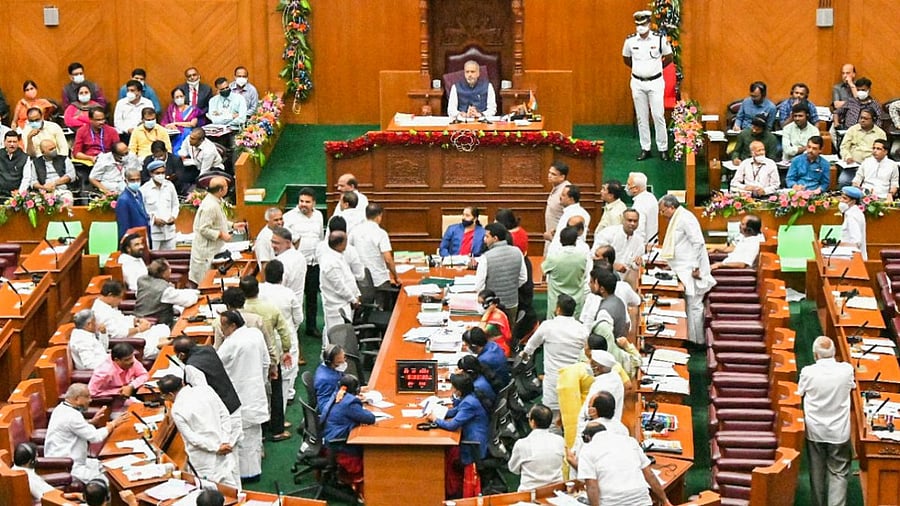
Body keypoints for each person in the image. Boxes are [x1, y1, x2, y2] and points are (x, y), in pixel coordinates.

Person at [798, 336, 855, 506]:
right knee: (839, 473)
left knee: (817, 472)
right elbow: (852, 386)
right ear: (834, 353)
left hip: (815, 430)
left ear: (815, 355)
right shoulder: (846, 370)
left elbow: (799, 392)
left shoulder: (808, 372)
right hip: (839, 432)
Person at [158, 375, 241, 487]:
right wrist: (224, 442)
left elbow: (192, 438)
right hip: (223, 450)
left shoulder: (177, 409)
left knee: (209, 495)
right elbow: (224, 415)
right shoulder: (206, 389)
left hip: (204, 458)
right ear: (182, 383)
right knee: (232, 490)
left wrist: (216, 448)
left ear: (170, 395)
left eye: (164, 396)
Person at [217, 310, 270, 481]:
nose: (221, 329)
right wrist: (261, 381)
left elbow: (217, 366)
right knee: (254, 434)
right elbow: (266, 362)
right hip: (256, 391)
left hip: (239, 395)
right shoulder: (255, 334)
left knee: (242, 435)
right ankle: (254, 469)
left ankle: (248, 474)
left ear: (233, 325)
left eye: (223, 326)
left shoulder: (230, 344)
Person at [658, 195, 716, 346]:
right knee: (689, 304)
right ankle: (691, 338)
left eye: (663, 210)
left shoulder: (685, 218)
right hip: (684, 268)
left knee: (694, 305)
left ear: (672, 207)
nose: (662, 214)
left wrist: (697, 267)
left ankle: (697, 342)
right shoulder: (678, 217)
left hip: (692, 270)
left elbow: (698, 242)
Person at [240, 276, 293, 442]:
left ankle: (261, 432)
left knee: (257, 394)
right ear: (258, 289)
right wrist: (286, 350)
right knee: (276, 393)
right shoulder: (270, 308)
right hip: (271, 356)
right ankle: (277, 429)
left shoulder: (239, 312)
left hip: (248, 359)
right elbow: (284, 331)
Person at [45, 383, 128, 482]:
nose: (90, 400)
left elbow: (72, 427)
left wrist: (91, 422)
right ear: (77, 399)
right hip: (67, 466)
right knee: (105, 480)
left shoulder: (61, 408)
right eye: (87, 397)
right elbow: (95, 437)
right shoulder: (72, 416)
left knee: (108, 467)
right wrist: (113, 424)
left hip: (77, 460)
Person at [426, 373, 490, 499]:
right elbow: (454, 412)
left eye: (454, 388)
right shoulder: (469, 398)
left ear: (459, 390)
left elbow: (452, 426)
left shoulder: (469, 403)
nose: (452, 390)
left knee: (447, 455)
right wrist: (438, 412)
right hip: (472, 439)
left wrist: (435, 420)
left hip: (473, 447)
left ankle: (451, 492)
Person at [521, 294, 587, 414]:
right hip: (573, 381)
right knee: (571, 415)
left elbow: (530, 347)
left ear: (558, 309)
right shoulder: (582, 330)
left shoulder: (547, 326)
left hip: (553, 382)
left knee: (551, 417)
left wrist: (524, 356)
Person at [577, 423, 671, 506]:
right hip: (642, 501)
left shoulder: (587, 450)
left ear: (588, 438)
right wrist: (664, 500)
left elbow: (592, 486)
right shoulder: (630, 441)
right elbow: (649, 475)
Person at [623, 10, 672, 161]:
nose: (640, 27)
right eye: (638, 25)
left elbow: (669, 57)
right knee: (641, 117)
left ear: (649, 24)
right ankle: (646, 148)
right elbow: (626, 59)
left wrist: (654, 69)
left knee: (658, 116)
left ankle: (662, 148)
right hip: (637, 82)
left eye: (643, 24)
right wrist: (640, 70)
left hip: (656, 82)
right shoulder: (630, 41)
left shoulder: (659, 39)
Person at [320, 374, 376, 501]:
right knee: (368, 455)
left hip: (326, 440)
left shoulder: (337, 395)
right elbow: (370, 419)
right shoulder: (350, 402)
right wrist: (361, 405)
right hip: (339, 447)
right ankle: (361, 493)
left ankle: (341, 478)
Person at [260, 259, 305, 404]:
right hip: (285, 339)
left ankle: (269, 414)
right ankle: (282, 412)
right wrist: (291, 329)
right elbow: (299, 318)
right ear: (282, 276)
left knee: (266, 375)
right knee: (285, 377)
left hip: (264, 339)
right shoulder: (288, 293)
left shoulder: (258, 291)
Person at [283, 187, 325, 338]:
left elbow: (320, 237)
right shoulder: (288, 217)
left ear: (314, 203)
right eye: (301, 201)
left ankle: (311, 326)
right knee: (296, 297)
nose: (303, 204)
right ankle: (295, 328)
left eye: (307, 202)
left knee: (312, 296)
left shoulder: (319, 216)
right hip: (297, 266)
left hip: (314, 263)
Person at [92, 278, 170, 358]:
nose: (120, 301)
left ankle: (165, 342)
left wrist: (137, 320)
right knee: (157, 345)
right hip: (127, 342)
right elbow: (117, 334)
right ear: (110, 295)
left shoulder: (108, 305)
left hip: (133, 332)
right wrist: (138, 329)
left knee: (163, 328)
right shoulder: (101, 312)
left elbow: (121, 318)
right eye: (119, 297)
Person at [189, 176, 244, 284]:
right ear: (220, 190)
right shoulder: (210, 206)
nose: (228, 189)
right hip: (206, 252)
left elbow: (218, 221)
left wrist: (233, 225)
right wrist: (220, 234)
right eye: (226, 187)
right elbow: (204, 229)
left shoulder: (216, 200)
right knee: (206, 282)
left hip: (215, 249)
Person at [172, 336, 242, 417]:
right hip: (232, 401)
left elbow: (203, 395)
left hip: (223, 413)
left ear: (181, 355)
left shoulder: (192, 367)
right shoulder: (209, 349)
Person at [476, 222, 527, 324]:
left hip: (492, 306)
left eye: (487, 236)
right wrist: (510, 287)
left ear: (495, 238)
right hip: (512, 303)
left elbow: (479, 286)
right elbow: (523, 278)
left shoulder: (486, 257)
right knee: (509, 332)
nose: (484, 240)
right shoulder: (517, 252)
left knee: (493, 336)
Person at [508, 404, 566, 492]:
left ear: (532, 422)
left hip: (528, 494)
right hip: (556, 492)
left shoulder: (522, 444)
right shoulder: (560, 441)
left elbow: (513, 469)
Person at [134, 258, 200, 327]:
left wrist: (193, 291)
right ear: (164, 273)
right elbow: (187, 301)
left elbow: (137, 294)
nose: (171, 271)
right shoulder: (164, 290)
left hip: (138, 320)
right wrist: (198, 295)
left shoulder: (141, 280)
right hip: (157, 326)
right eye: (169, 269)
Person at [319, 230, 361, 335]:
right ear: (340, 244)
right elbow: (340, 286)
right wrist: (353, 300)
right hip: (337, 307)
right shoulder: (331, 263)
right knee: (337, 337)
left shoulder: (337, 256)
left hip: (344, 304)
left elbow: (348, 278)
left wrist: (356, 294)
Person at [542, 227, 589, 319]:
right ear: (576, 240)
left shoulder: (554, 257)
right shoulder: (582, 257)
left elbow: (543, 271)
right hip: (576, 300)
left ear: (560, 240)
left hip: (556, 302)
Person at [351, 203, 400, 289]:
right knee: (383, 302)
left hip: (361, 279)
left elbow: (348, 250)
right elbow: (388, 259)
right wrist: (396, 276)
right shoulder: (381, 233)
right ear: (379, 216)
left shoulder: (354, 231)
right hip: (379, 279)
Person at [19, 139, 75, 207]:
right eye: (51, 149)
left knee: (67, 200)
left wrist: (54, 183)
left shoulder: (64, 159)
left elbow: (71, 175)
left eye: (55, 147)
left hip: (62, 191)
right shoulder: (35, 162)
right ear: (43, 152)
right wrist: (43, 187)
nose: (54, 150)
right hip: (43, 192)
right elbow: (33, 181)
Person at [591, 208, 645, 278]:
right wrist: (612, 265)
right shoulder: (608, 233)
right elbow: (593, 256)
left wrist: (638, 263)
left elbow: (636, 265)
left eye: (635, 221)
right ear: (622, 220)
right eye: (629, 220)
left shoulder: (639, 241)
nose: (632, 223)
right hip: (603, 276)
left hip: (625, 280)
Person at [839, 108, 886, 187]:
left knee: (872, 186)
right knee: (843, 181)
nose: (862, 120)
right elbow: (844, 147)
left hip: (871, 168)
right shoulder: (852, 130)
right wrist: (847, 157)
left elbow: (882, 152)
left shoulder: (880, 134)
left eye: (866, 118)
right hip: (853, 166)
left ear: (873, 120)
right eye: (861, 118)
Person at [140, 160, 179, 249]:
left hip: (170, 231)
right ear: (151, 173)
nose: (161, 175)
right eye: (158, 173)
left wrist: (173, 216)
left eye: (163, 172)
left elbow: (175, 204)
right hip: (154, 233)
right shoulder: (144, 190)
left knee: (171, 258)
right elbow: (141, 211)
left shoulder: (169, 186)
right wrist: (154, 219)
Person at [543, 161, 572, 255]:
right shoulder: (557, 187)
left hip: (560, 239)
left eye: (553, 174)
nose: (549, 176)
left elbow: (571, 216)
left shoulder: (566, 191)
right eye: (549, 172)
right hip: (551, 236)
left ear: (562, 177)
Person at [162, 87, 201, 154]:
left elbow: (192, 124)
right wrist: (169, 126)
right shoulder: (171, 109)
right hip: (174, 135)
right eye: (177, 97)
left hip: (188, 134)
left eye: (181, 96)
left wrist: (176, 123)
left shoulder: (193, 109)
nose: (179, 98)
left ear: (184, 97)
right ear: (173, 99)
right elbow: (164, 123)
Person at [115, 168, 150, 241]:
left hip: (143, 235)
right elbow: (123, 226)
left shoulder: (139, 193)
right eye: (132, 180)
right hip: (133, 241)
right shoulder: (123, 200)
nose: (136, 182)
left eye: (138, 179)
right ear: (126, 181)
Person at [477, 289, 512, 356]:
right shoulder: (495, 311)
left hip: (499, 350)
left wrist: (488, 312)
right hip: (492, 345)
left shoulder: (496, 318)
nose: (480, 306)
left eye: (482, 303)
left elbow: (480, 332)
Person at [627, 172, 658, 244]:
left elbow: (638, 229)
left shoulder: (640, 204)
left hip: (644, 246)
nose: (627, 187)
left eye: (628, 184)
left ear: (636, 188)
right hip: (652, 242)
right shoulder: (651, 197)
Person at [315, 344, 348, 412]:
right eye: (339, 362)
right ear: (330, 362)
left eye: (344, 357)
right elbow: (324, 407)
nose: (344, 362)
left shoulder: (324, 367)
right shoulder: (328, 380)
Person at [839, 186, 867, 261]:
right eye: (841, 197)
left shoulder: (852, 216)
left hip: (852, 258)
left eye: (845, 199)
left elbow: (856, 241)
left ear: (853, 201)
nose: (841, 200)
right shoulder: (855, 212)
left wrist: (839, 246)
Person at [0, 130, 28, 198]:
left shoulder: (25, 157)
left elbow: (26, 178)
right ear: (4, 142)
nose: (12, 144)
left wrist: (19, 192)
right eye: (9, 142)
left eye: (14, 142)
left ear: (18, 142)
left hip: (17, 194)